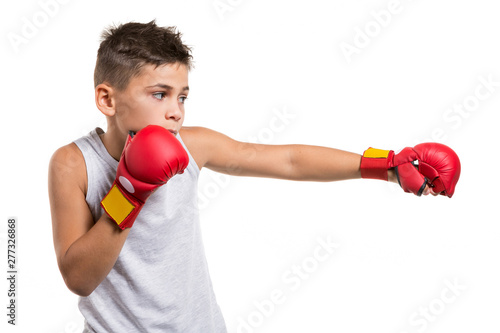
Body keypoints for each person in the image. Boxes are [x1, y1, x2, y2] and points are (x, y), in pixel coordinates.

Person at [48, 20, 460, 333]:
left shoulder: (194, 145)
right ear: (107, 98)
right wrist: (129, 192)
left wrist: (385, 166)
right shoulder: (73, 163)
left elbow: (287, 160)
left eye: (182, 96)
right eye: (160, 94)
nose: (176, 110)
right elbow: (79, 279)